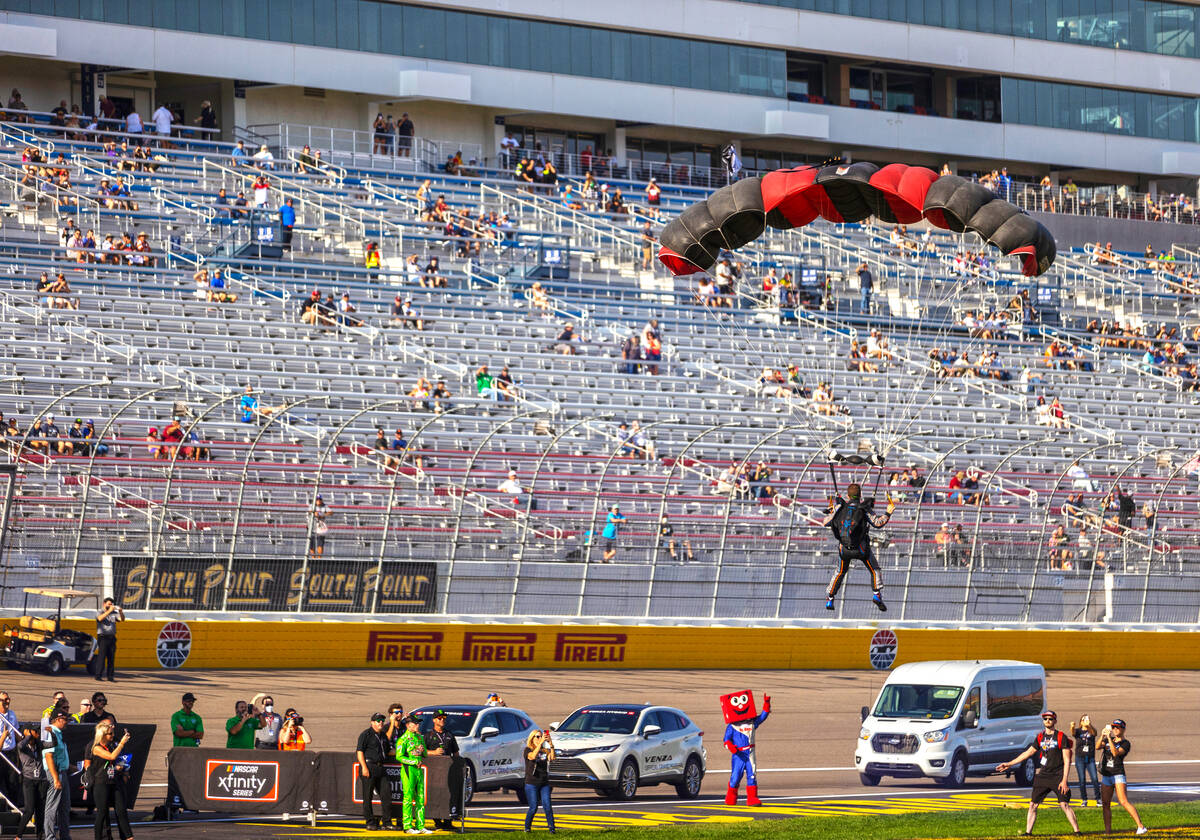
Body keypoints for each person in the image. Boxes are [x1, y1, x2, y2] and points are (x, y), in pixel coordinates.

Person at [996, 710, 1080, 836]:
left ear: (1055, 721)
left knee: (1064, 804)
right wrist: (1009, 764)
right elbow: (1028, 753)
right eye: (1045, 719)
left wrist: (1064, 780)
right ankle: (1028, 833)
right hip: (1043, 775)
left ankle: (1077, 831)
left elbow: (1067, 760)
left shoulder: (1061, 737)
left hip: (1058, 775)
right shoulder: (1040, 737)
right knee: (1033, 805)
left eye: (1050, 719)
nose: (1047, 721)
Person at [822, 483, 895, 612]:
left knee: (840, 572)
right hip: (861, 548)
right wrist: (888, 513)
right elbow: (878, 523)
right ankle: (876, 594)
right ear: (860, 495)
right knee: (874, 569)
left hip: (844, 548)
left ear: (847, 495)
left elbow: (826, 522)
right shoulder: (863, 508)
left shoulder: (840, 507)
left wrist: (832, 511)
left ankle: (830, 598)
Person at [1098, 719, 1147, 835]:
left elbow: (1115, 753)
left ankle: (1141, 826)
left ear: (1123, 729)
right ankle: (1108, 831)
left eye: (1117, 727)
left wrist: (1109, 739)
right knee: (1105, 803)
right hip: (1107, 775)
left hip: (1118, 774)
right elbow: (1097, 746)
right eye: (1113, 727)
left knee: (1123, 801)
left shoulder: (1126, 743)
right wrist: (1102, 735)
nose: (1115, 729)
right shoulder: (1108, 739)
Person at [90, 720, 133, 840]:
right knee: (102, 813)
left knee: (121, 811)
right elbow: (111, 756)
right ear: (102, 735)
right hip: (101, 783)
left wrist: (122, 768)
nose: (112, 736)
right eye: (110, 734)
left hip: (114, 781)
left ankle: (128, 837)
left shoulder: (112, 744)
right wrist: (122, 743)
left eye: (112, 733)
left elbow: (118, 757)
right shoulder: (96, 748)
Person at [356, 713, 394, 832]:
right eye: (378, 721)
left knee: (386, 794)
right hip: (369, 766)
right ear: (372, 722)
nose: (380, 723)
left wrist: (404, 751)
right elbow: (360, 751)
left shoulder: (383, 735)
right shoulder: (365, 734)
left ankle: (387, 822)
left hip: (380, 767)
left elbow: (388, 751)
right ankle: (370, 822)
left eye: (382, 720)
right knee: (368, 796)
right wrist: (364, 767)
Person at [424, 710, 459, 830]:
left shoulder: (449, 735)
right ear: (434, 720)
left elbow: (456, 753)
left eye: (444, 718)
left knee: (448, 795)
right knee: (436, 796)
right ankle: (437, 821)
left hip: (448, 772)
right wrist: (433, 753)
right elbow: (421, 752)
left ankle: (448, 821)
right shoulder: (428, 736)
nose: (442, 720)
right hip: (434, 772)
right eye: (439, 718)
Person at [395, 713, 428, 834]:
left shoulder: (419, 738)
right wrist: (413, 761)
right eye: (415, 723)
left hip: (419, 770)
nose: (418, 725)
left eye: (418, 723)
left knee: (420, 798)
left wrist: (422, 748)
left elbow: (425, 754)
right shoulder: (403, 739)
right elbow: (399, 756)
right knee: (408, 798)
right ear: (408, 725)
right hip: (408, 770)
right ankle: (407, 826)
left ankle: (420, 825)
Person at [41, 708, 71, 840]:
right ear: (58, 719)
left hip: (62, 772)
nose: (67, 722)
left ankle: (65, 836)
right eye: (66, 720)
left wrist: (71, 766)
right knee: (52, 807)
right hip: (56, 773)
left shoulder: (57, 733)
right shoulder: (50, 731)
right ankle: (49, 837)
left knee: (65, 807)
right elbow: (48, 756)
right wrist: (55, 778)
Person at [15, 722, 44, 840]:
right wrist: (28, 736)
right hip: (29, 781)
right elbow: (20, 746)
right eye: (34, 732)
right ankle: (18, 836)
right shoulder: (23, 747)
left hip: (40, 780)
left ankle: (40, 836)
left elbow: (53, 744)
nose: (37, 734)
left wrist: (51, 733)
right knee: (29, 810)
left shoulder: (39, 745)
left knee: (40, 811)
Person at [523, 729, 555, 833]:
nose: (539, 738)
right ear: (532, 739)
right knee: (533, 807)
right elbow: (532, 757)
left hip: (544, 783)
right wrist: (540, 744)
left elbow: (552, 758)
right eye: (537, 737)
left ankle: (552, 829)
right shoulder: (527, 750)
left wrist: (551, 745)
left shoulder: (544, 750)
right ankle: (527, 828)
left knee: (547, 806)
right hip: (531, 783)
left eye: (541, 736)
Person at [1071, 714, 1100, 807]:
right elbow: (1073, 733)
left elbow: (1095, 733)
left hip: (1090, 758)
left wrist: (1089, 725)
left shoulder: (1091, 731)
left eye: (1088, 719)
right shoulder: (1078, 731)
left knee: (1095, 779)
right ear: (1081, 722)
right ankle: (1084, 799)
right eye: (1084, 719)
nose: (1086, 720)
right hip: (1080, 758)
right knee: (1082, 779)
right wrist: (1072, 726)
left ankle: (1098, 799)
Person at [94, 597, 123, 681]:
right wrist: (109, 611)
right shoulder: (100, 611)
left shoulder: (114, 612)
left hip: (112, 637)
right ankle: (98, 675)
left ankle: (110, 676)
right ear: (104, 603)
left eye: (111, 604)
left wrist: (120, 612)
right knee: (101, 657)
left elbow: (122, 619)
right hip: (103, 637)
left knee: (111, 657)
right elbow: (99, 618)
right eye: (109, 604)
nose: (110, 606)